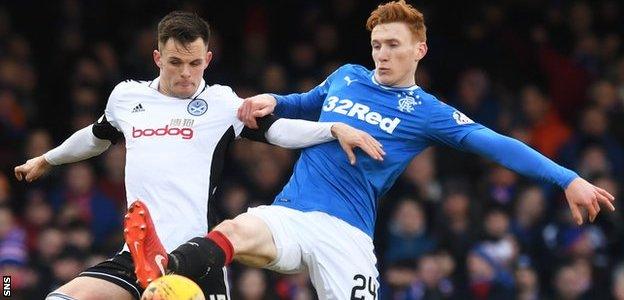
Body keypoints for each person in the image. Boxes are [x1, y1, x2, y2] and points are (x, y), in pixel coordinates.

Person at [127, 2, 616, 299]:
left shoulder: (429, 112)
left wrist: (567, 178)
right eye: (377, 44)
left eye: (392, 45)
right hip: (293, 214)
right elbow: (306, 102)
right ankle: (162, 267)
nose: (381, 53)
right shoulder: (347, 77)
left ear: (419, 50)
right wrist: (274, 100)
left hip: (348, 237)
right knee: (232, 230)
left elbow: (499, 144)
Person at [13, 11, 383, 300]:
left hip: (196, 259)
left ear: (208, 58)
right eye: (175, 63)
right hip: (137, 255)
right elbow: (96, 137)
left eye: (195, 63)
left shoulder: (220, 102)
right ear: (158, 57)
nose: (186, 74)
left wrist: (331, 129)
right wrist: (48, 159)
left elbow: (275, 130)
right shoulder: (127, 97)